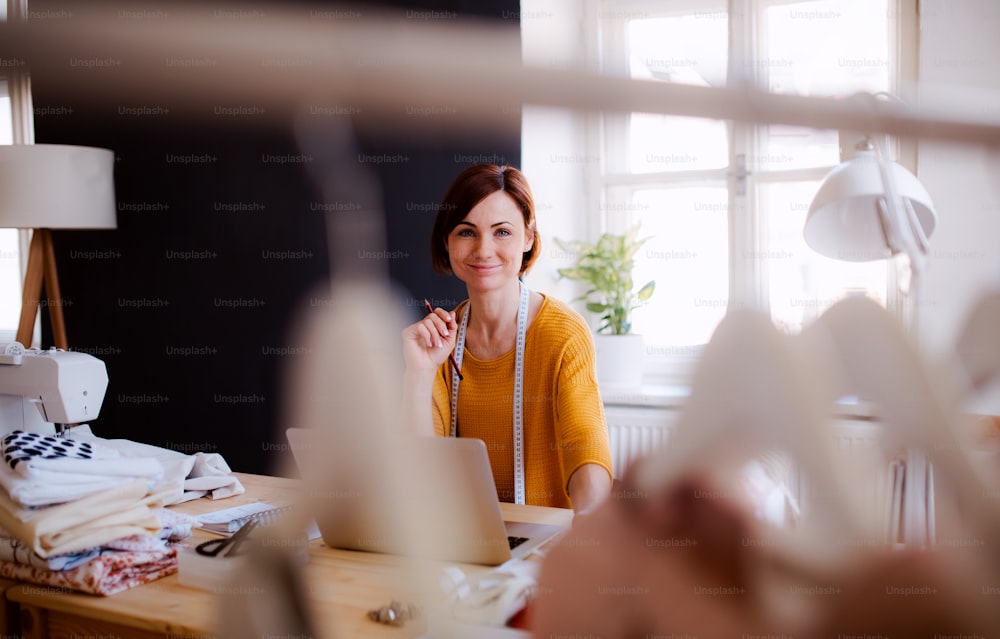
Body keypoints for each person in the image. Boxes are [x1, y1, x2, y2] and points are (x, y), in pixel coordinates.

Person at [401, 164, 612, 514]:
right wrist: (419, 374)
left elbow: (585, 447)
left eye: (502, 232)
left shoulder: (563, 334)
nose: (483, 250)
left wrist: (591, 526)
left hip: (545, 542)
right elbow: (419, 475)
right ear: (447, 241)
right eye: (467, 232)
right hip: (460, 537)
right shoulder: (438, 343)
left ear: (528, 237)